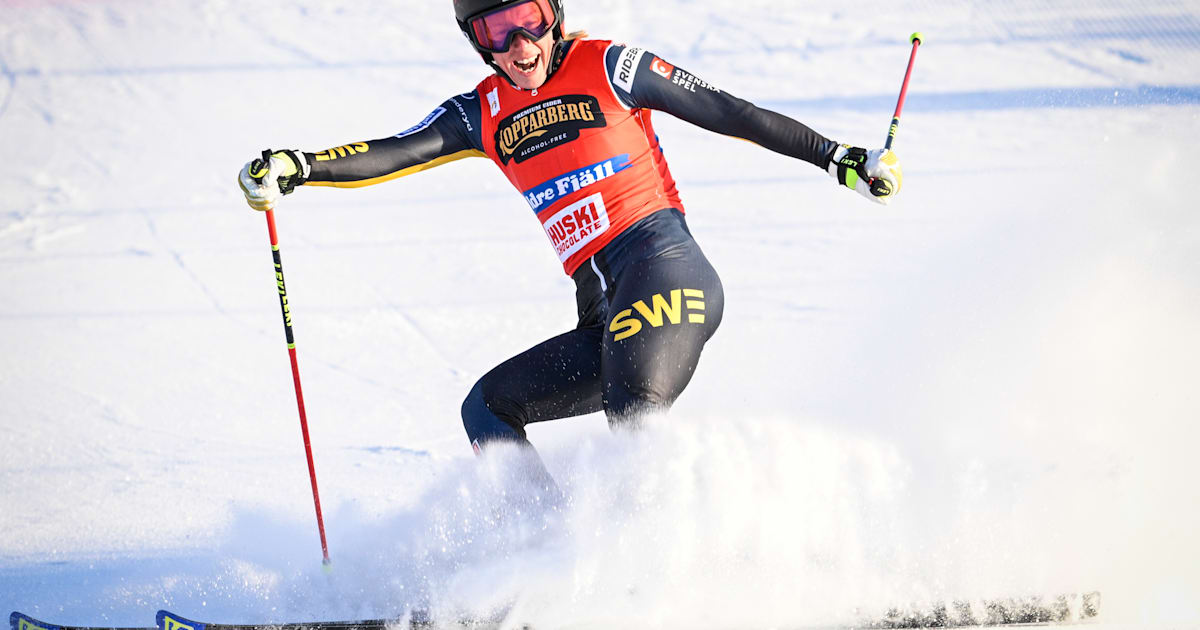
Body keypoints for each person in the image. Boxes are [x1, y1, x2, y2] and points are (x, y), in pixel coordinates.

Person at [238, 0, 902, 489]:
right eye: (494, 31)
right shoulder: (481, 112)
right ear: (477, 43)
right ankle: (547, 556)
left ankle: (670, 566)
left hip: (665, 271)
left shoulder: (611, 66)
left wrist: (838, 158)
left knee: (634, 412)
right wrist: (302, 165)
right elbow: (394, 151)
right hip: (604, 316)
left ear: (553, 14)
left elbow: (733, 112)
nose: (518, 44)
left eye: (528, 19)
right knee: (488, 409)